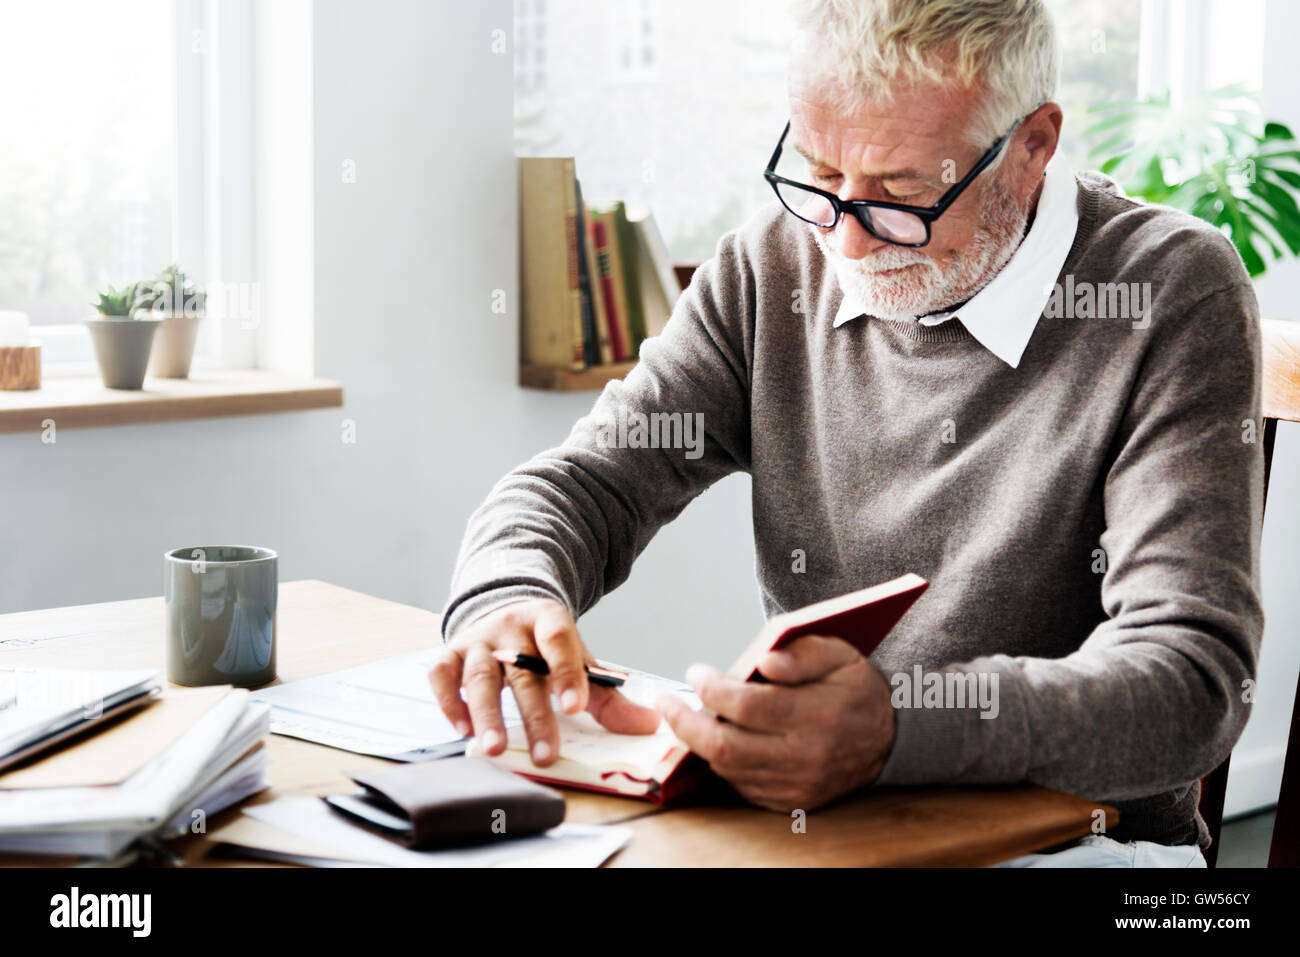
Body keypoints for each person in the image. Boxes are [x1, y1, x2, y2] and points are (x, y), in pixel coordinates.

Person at [430, 0, 1262, 867]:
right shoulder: (775, 265)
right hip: (825, 835)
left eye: (901, 195)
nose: (849, 246)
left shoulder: (1171, 289)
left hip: (1092, 853)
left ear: (1034, 145)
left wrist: (900, 727)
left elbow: (1193, 683)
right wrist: (507, 593)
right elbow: (588, 483)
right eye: (818, 174)